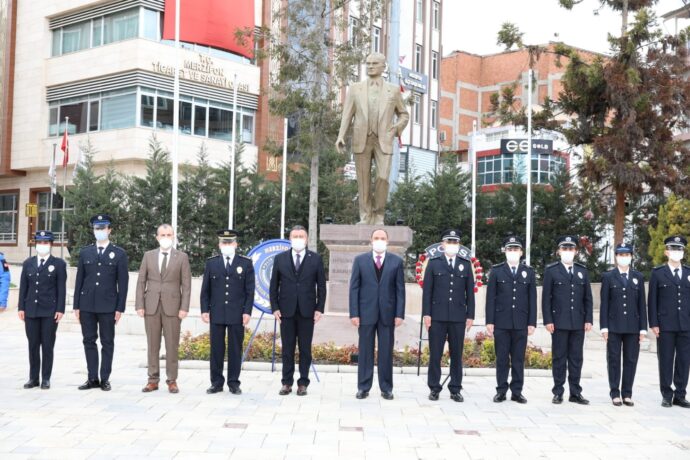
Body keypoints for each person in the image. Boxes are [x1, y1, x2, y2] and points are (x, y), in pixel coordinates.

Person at [335, 52, 410, 225]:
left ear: (383, 67)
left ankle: (379, 214)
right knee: (363, 180)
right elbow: (347, 115)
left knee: (382, 177)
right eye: (368, 63)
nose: (370, 66)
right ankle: (365, 215)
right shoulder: (355, 88)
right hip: (362, 138)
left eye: (374, 63)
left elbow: (404, 115)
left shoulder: (393, 90)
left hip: (384, 139)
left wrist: (396, 128)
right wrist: (341, 136)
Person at [74, 214, 129, 391]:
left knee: (107, 342)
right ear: (93, 230)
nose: (100, 231)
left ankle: (104, 378)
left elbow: (123, 283)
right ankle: (92, 378)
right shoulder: (85, 252)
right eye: (97, 228)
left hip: (108, 306)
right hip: (87, 304)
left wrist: (120, 307)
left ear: (109, 230)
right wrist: (76, 305)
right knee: (88, 341)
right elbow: (79, 280)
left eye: (103, 228)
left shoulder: (119, 253)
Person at [270, 225, 327, 396]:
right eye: (295, 235)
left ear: (307, 239)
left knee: (305, 349)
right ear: (290, 238)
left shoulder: (315, 259)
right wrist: (275, 307)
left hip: (307, 311)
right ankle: (286, 383)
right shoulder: (280, 258)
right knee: (287, 349)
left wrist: (319, 308)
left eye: (301, 236)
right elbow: (274, 286)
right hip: (285, 311)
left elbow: (322, 287)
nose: (298, 238)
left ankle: (303, 383)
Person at [349, 228, 405, 400]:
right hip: (366, 313)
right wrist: (354, 313)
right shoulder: (360, 261)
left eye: (382, 238)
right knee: (365, 351)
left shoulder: (396, 261)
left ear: (387, 241)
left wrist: (399, 314)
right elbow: (354, 288)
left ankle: (386, 388)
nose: (379, 240)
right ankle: (363, 387)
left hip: (388, 314)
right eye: (376, 238)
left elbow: (400, 290)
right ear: (371, 241)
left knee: (386, 352)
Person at [136, 224, 192, 394]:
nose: (166, 237)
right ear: (157, 237)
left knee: (172, 345)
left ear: (173, 236)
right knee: (152, 344)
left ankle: (172, 380)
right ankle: (152, 380)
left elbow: (187, 285)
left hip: (173, 308)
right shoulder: (148, 256)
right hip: (151, 306)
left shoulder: (181, 257)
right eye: (163, 234)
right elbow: (141, 282)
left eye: (169, 234)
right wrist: (139, 304)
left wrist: (184, 307)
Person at [423, 229, 475, 403]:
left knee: (456, 355)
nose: (452, 245)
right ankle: (434, 388)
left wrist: (470, 315)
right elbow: (427, 292)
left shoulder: (465, 264)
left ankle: (455, 389)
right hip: (437, 316)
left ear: (458, 245)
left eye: (455, 242)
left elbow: (470, 293)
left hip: (458, 317)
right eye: (449, 242)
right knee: (435, 354)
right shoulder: (434, 263)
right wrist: (427, 314)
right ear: (443, 244)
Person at [201, 229, 255, 395]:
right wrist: (205, 309)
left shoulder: (245, 263)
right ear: (219, 244)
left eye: (230, 242)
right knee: (216, 349)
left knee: (234, 349)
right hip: (216, 312)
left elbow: (249, 291)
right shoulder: (212, 263)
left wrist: (247, 311)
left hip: (236, 313)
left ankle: (233, 383)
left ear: (235, 244)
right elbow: (206, 290)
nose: (227, 245)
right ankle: (216, 383)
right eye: (224, 243)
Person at [542, 235, 593, 405]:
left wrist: (588, 319)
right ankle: (558, 391)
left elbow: (588, 298)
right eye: (565, 249)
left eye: (571, 249)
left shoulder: (582, 271)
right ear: (559, 251)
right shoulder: (552, 271)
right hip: (558, 322)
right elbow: (546, 298)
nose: (568, 252)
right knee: (559, 358)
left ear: (576, 252)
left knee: (576, 358)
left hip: (578, 322)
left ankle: (575, 392)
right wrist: (548, 320)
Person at [485, 236, 536, 404]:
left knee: (518, 359)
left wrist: (531, 322)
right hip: (501, 322)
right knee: (501, 358)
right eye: (510, 249)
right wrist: (490, 321)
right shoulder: (497, 271)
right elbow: (491, 298)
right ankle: (501, 390)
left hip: (520, 323)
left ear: (521, 252)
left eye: (516, 249)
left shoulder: (528, 272)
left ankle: (517, 391)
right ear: (505, 251)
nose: (513, 252)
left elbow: (532, 299)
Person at [17, 231, 67, 389]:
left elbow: (61, 289)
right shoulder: (28, 263)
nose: (42, 245)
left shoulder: (58, 264)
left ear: (51, 245)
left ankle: (46, 378)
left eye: (46, 243)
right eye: (40, 242)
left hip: (49, 311)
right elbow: (23, 288)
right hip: (31, 311)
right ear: (35, 244)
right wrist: (21, 307)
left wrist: (60, 309)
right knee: (33, 345)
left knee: (47, 345)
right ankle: (33, 378)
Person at [600, 243, 647, 407]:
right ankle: (615, 393)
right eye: (621, 255)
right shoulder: (608, 277)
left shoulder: (638, 277)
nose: (624, 257)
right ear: (616, 257)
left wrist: (643, 328)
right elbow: (604, 303)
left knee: (631, 360)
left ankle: (627, 393)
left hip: (633, 326)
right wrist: (604, 327)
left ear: (631, 257)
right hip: (614, 326)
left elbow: (642, 304)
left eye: (627, 255)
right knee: (613, 359)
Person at [648, 235, 690, 408]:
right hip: (665, 325)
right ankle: (666, 393)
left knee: (684, 360)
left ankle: (680, 394)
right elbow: (652, 301)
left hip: (686, 325)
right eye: (673, 249)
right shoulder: (658, 273)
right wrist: (654, 323)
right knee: (665, 359)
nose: (676, 252)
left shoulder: (688, 273)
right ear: (666, 252)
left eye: (679, 249)